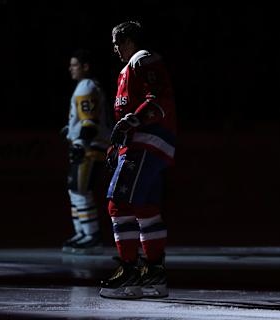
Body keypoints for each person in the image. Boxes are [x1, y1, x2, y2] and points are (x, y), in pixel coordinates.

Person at [99, 21, 177, 299]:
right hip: (147, 145)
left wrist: (133, 121)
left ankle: (129, 277)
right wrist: (116, 146)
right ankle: (155, 275)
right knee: (146, 208)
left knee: (118, 204)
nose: (114, 47)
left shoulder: (142, 60)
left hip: (146, 143)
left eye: (117, 42)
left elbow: (157, 99)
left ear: (129, 41)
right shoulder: (127, 69)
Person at [62, 48, 112, 255]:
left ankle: (90, 234)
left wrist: (81, 142)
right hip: (90, 144)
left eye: (74, 65)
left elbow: (89, 121)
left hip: (89, 147)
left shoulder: (86, 86)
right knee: (76, 190)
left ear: (85, 67)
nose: (70, 69)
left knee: (81, 190)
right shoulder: (91, 85)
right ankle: (83, 232)